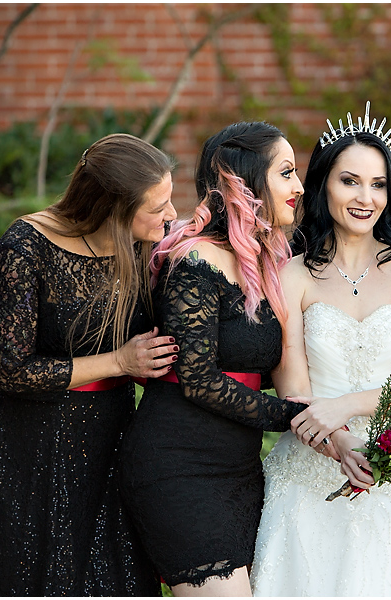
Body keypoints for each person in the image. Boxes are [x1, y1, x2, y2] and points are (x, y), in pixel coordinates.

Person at [0, 133, 180, 596]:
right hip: (29, 443)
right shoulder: (25, 246)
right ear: (112, 206)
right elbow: (12, 369)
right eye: (159, 206)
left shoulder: (144, 244)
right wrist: (119, 361)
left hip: (109, 443)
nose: (170, 215)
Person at [250, 104, 391, 596]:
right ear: (323, 185)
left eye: (379, 184)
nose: (366, 198)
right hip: (309, 478)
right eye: (350, 181)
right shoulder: (292, 275)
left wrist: (347, 406)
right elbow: (296, 395)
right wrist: (340, 443)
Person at [118, 122, 307, 596]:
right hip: (180, 469)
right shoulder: (195, 261)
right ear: (244, 181)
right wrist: (295, 417)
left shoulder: (267, 258)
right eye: (286, 173)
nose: (298, 187)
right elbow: (198, 379)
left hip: (241, 471)